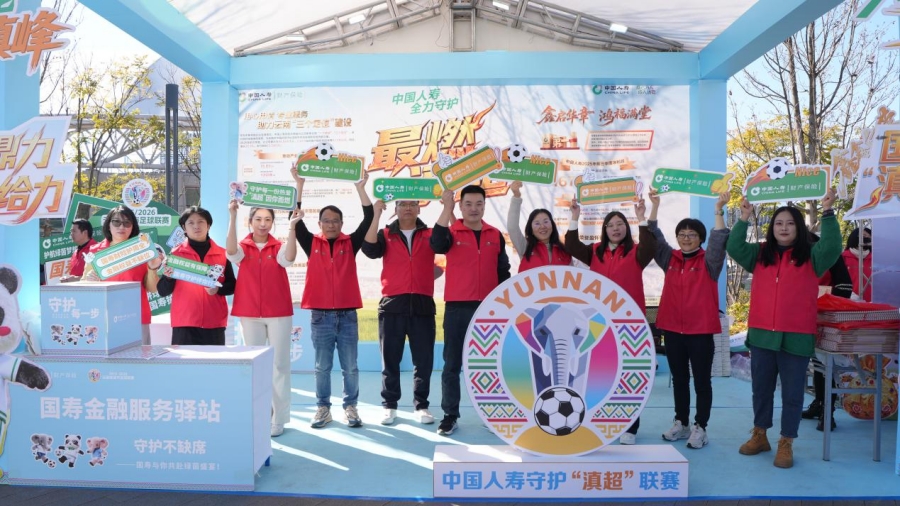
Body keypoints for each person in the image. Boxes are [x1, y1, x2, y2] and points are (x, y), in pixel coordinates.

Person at [726, 188, 841, 469]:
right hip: (762, 335)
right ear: (772, 228)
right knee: (761, 390)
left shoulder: (811, 255)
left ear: (798, 228)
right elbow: (734, 248)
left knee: (792, 393)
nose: (784, 228)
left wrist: (828, 212)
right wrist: (743, 218)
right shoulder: (759, 253)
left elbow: (832, 247)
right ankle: (760, 434)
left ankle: (786, 441)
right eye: (779, 223)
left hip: (797, 336)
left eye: (790, 223)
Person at [565, 198, 656, 445]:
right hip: (599, 325)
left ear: (627, 228)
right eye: (611, 225)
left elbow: (651, 245)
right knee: (599, 375)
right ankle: (600, 421)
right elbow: (571, 245)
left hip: (630, 325)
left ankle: (630, 426)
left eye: (620, 224)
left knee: (629, 377)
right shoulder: (595, 251)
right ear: (604, 230)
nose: (615, 229)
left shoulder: (637, 252)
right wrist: (575, 216)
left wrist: (642, 217)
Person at [648, 191, 729, 450]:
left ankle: (700, 427)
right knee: (680, 380)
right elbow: (654, 236)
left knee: (702, 382)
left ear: (700, 238)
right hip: (673, 330)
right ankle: (681, 423)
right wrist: (654, 207)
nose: (686, 238)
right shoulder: (669, 259)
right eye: (682, 234)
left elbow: (719, 238)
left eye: (692, 234)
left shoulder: (710, 262)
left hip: (700, 332)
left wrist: (718, 209)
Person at [293, 170, 373, 429]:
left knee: (350, 367)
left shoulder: (351, 243)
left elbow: (369, 217)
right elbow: (294, 216)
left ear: (341, 223)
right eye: (326, 221)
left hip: (348, 315)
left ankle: (351, 407)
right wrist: (299, 185)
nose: (331, 225)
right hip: (321, 317)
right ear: (319, 224)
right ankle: (323, 409)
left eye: (335, 221)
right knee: (322, 367)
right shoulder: (310, 243)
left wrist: (361, 188)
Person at [431, 185, 511, 436]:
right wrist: (446, 207)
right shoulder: (451, 232)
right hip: (457, 308)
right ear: (461, 206)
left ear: (484, 206)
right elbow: (436, 243)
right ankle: (450, 415)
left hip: (489, 310)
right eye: (468, 204)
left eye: (479, 204)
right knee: (452, 365)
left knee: (491, 365)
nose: (474, 209)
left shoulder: (495, 235)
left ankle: (493, 414)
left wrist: (504, 306)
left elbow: (503, 271)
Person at [227, 202, 301, 437]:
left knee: (279, 365)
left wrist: (292, 227)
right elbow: (230, 253)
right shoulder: (243, 247)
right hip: (249, 313)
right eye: (258, 219)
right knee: (256, 365)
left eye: (267, 219)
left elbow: (289, 259)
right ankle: (260, 414)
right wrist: (232, 216)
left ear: (272, 223)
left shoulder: (278, 247)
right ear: (250, 222)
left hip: (278, 313)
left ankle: (278, 418)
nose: (262, 224)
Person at [362, 199, 437, 426]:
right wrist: (376, 214)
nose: (408, 208)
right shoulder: (386, 234)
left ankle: (421, 405)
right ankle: (389, 405)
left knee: (423, 360)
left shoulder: (430, 234)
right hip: (392, 305)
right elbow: (369, 249)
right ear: (395, 209)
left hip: (423, 305)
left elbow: (445, 243)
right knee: (390, 359)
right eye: (403, 204)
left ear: (419, 208)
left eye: (412, 204)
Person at [801, 230, 856, 432]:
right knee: (817, 364)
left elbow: (845, 286)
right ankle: (819, 403)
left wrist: (823, 301)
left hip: (825, 317)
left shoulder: (829, 254)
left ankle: (827, 410)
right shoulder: (793, 254)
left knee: (826, 364)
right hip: (802, 316)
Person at [82, 206, 163, 345]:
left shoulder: (143, 250)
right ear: (108, 225)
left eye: (127, 223)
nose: (121, 227)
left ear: (133, 226)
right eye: (116, 222)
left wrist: (152, 268)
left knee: (138, 356)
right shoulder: (95, 253)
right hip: (104, 316)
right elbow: (84, 285)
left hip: (136, 316)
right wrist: (89, 281)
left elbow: (153, 288)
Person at [157, 206, 236, 346]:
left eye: (201, 222)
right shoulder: (175, 255)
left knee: (213, 360)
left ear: (208, 225)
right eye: (191, 223)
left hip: (214, 323)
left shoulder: (222, 254)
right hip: (185, 323)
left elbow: (232, 285)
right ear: (184, 228)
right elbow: (162, 290)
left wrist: (218, 289)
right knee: (185, 361)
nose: (196, 226)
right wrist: (168, 278)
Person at [506, 180, 571, 271]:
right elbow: (512, 227)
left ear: (552, 225)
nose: (542, 226)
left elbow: (573, 277)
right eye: (537, 223)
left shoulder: (564, 251)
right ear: (531, 229)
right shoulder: (525, 247)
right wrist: (517, 196)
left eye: (546, 221)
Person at [841, 227, 872, 302]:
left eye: (869, 237)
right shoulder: (843, 258)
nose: (867, 238)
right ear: (854, 237)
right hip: (848, 302)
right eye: (864, 236)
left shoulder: (875, 259)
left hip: (872, 303)